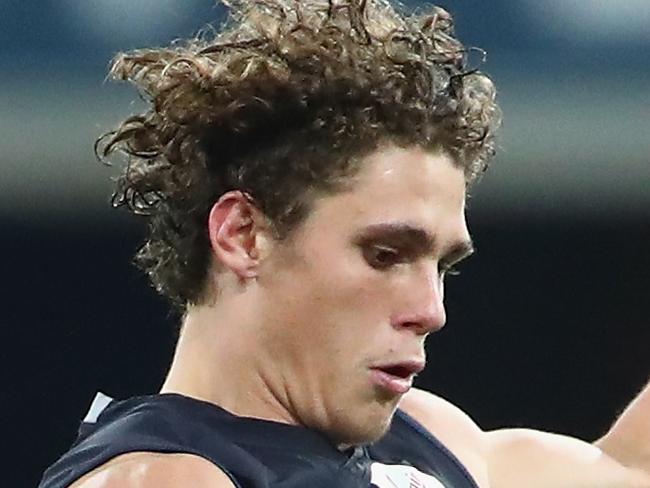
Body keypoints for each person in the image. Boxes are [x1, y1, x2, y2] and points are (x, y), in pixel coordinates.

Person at [39, 0, 650, 486]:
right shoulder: (165, 478)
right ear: (243, 236)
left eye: (443, 267)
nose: (431, 311)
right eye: (385, 255)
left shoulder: (426, 435)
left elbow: (630, 470)